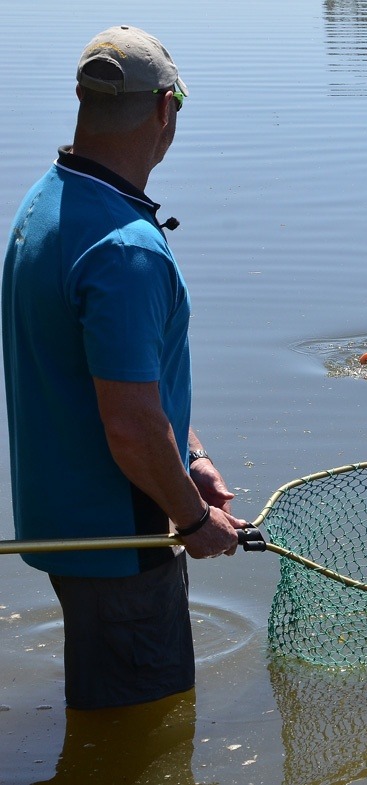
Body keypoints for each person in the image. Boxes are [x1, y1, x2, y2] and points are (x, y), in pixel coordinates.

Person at [2, 25, 246, 711]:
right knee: (141, 730)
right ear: (165, 108)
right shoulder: (126, 248)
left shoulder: (44, 204)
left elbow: (107, 384)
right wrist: (194, 520)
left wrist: (192, 454)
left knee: (105, 709)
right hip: (125, 541)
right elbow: (134, 428)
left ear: (83, 101)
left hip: (68, 531)